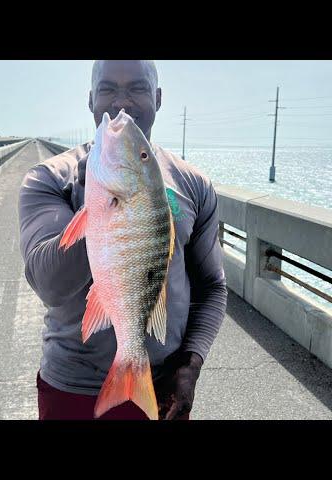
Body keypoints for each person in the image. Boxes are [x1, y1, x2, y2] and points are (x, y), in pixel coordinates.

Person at [18, 60, 227, 420]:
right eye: (108, 89)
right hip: (70, 387)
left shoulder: (194, 184)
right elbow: (48, 284)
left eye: (138, 88)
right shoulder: (49, 179)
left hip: (161, 389)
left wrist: (191, 365)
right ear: (91, 100)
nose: (123, 103)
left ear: (158, 98)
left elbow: (212, 286)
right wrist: (100, 205)